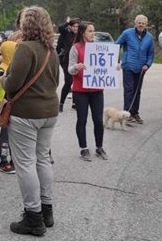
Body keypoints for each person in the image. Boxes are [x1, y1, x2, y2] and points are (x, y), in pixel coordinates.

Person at [4, 6, 59, 237]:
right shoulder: (51, 51)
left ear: (25, 25)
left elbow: (13, 83)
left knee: (25, 163)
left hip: (27, 114)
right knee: (42, 160)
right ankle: (47, 211)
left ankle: (33, 217)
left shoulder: (24, 48)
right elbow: (55, 82)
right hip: (49, 111)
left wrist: (3, 79)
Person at [69, 21, 109, 161]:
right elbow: (70, 68)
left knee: (98, 120)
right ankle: (83, 148)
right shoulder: (76, 48)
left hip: (97, 89)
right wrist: (77, 67)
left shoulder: (99, 47)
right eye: (90, 31)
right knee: (82, 119)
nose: (93, 34)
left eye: (94, 31)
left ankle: (99, 147)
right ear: (82, 33)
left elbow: (106, 64)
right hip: (81, 90)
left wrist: (114, 68)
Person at [116, 15, 154, 124]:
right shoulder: (127, 33)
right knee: (129, 90)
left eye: (143, 23)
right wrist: (118, 61)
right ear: (135, 23)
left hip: (141, 68)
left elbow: (151, 53)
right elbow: (116, 45)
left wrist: (147, 64)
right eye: (139, 22)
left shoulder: (149, 37)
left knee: (137, 91)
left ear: (146, 25)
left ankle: (135, 112)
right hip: (128, 66)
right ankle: (126, 113)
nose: (141, 25)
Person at [0, 29, 23, 174]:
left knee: (17, 133)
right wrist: (0, 103)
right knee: (5, 132)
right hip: (6, 103)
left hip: (19, 104)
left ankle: (15, 157)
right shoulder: (2, 69)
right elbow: (0, 87)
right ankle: (4, 158)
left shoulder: (20, 65)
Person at [56, 18, 79, 113]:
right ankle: (61, 104)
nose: (75, 28)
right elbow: (60, 28)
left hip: (76, 61)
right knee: (69, 81)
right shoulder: (66, 33)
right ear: (70, 26)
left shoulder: (79, 36)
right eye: (73, 26)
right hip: (66, 60)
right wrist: (68, 23)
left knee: (76, 81)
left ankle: (75, 103)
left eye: (77, 27)